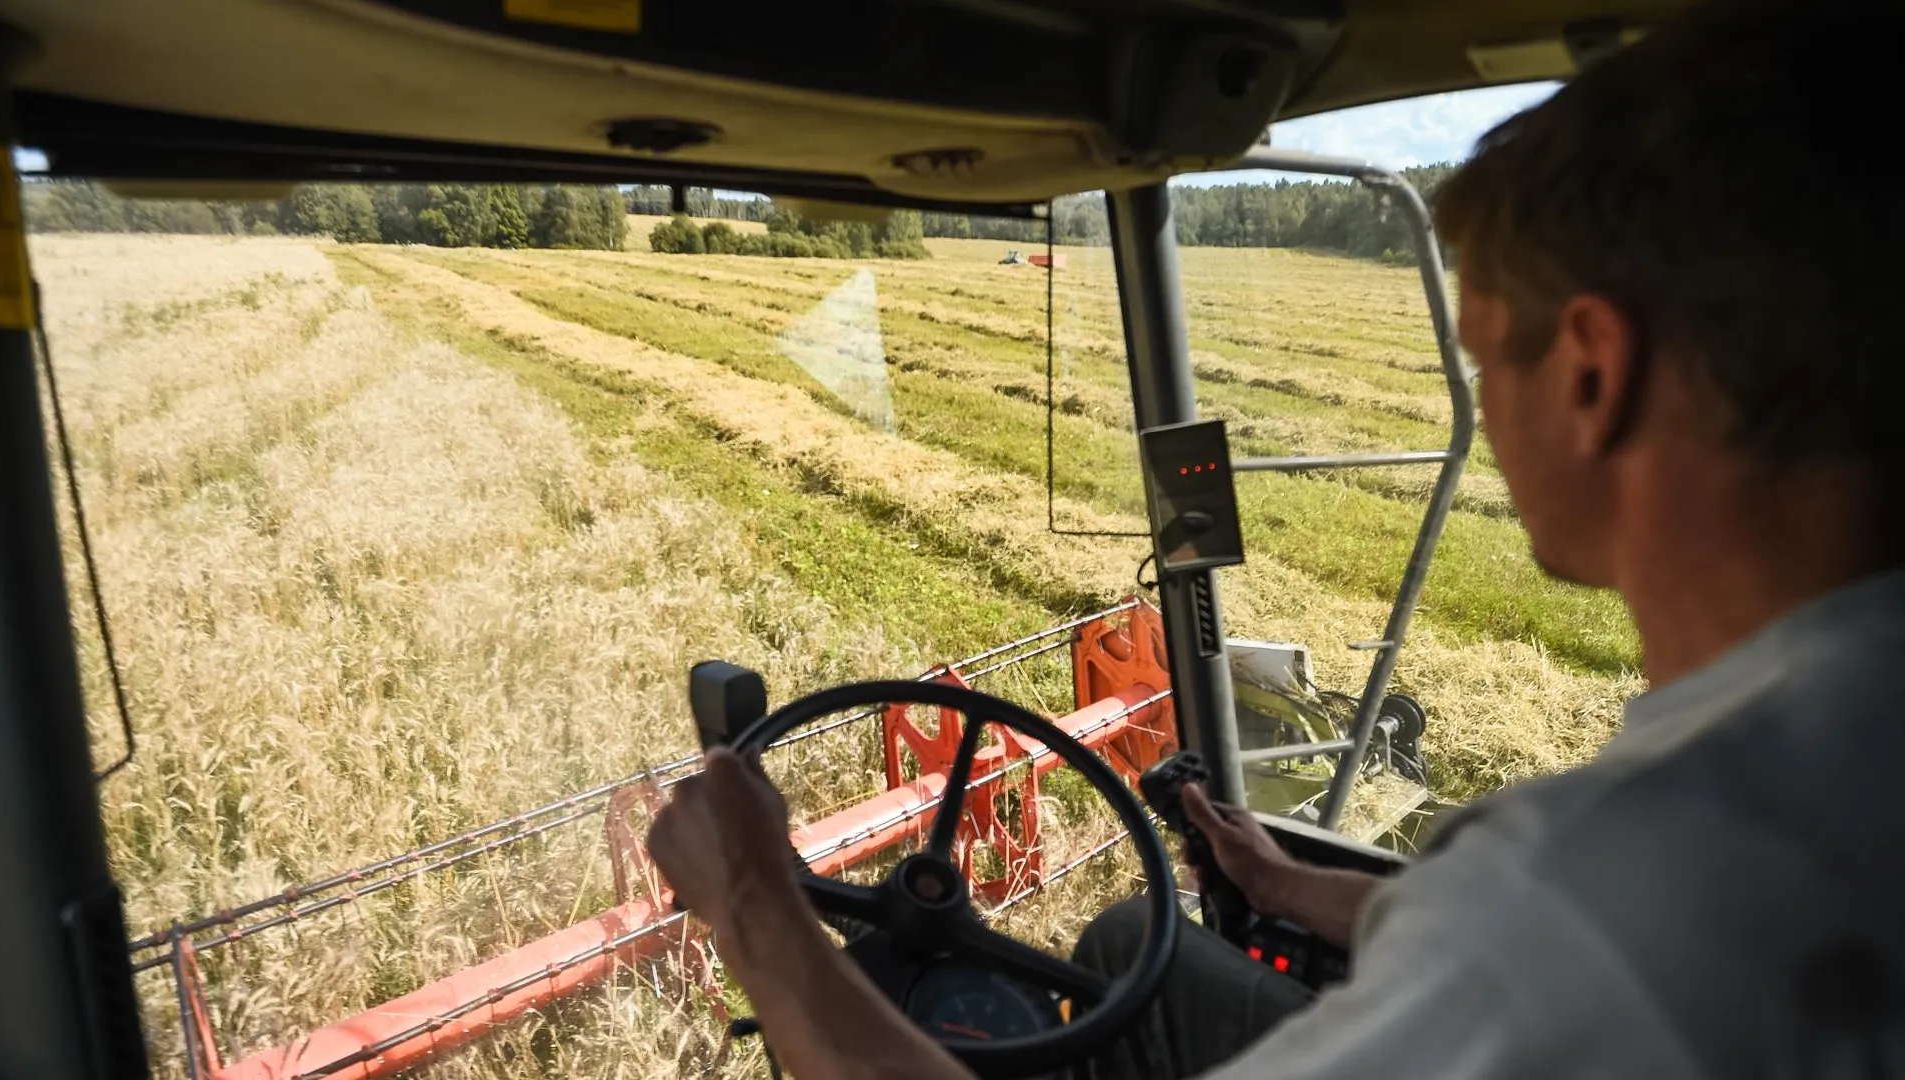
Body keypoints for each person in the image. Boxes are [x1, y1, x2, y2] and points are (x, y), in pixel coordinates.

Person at [649, 2, 1905, 1076]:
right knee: (1121, 944)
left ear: (1590, 376)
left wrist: (754, 898)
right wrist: (1306, 883)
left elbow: (1550, 948)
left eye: (1479, 361)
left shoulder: (1591, 900)